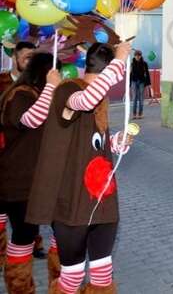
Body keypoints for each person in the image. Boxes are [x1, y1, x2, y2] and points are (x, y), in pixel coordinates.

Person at [26, 40, 134, 294]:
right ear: (108, 70)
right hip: (72, 206)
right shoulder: (67, 90)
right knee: (72, 278)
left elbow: (94, 144)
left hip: (103, 203)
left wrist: (116, 142)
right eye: (114, 72)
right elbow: (85, 101)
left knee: (102, 277)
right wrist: (120, 60)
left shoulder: (101, 100)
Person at [0, 52, 61, 292]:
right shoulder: (21, 94)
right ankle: (20, 288)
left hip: (36, 181)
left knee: (59, 231)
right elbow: (30, 120)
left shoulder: (34, 93)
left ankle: (60, 282)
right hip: (18, 182)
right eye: (54, 72)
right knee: (23, 237)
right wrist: (51, 87)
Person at [0, 41, 36, 268]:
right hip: (5, 160)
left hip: (25, 166)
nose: (30, 62)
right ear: (15, 58)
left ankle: (32, 245)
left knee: (25, 219)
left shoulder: (37, 88)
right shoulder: (3, 83)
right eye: (26, 58)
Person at [129, 50, 150, 119]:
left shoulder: (144, 64)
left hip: (141, 82)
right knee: (134, 98)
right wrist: (129, 84)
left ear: (141, 56)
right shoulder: (132, 64)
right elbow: (130, 74)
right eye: (136, 55)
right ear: (134, 56)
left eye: (139, 55)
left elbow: (147, 73)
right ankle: (134, 114)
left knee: (141, 98)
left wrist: (148, 83)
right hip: (134, 82)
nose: (137, 57)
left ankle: (140, 114)